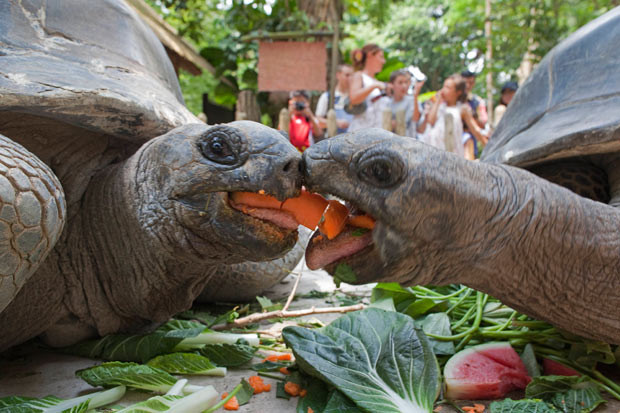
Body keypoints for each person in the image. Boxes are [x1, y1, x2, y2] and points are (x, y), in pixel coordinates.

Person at [420, 73, 467, 157]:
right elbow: (431, 121)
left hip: (452, 153)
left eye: (448, 87)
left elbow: (474, 129)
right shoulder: (439, 106)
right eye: (444, 86)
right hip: (434, 152)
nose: (443, 90)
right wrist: (438, 102)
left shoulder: (462, 109)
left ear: (458, 92)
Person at [347, 44, 389, 132]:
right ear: (370, 55)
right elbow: (353, 98)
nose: (383, 61)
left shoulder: (375, 80)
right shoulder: (359, 76)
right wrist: (374, 86)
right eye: (381, 57)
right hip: (360, 133)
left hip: (378, 134)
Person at [315, 64, 354, 135]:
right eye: (347, 75)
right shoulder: (326, 97)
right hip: (333, 140)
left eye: (352, 76)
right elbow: (318, 121)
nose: (350, 78)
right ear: (338, 75)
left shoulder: (355, 98)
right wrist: (335, 122)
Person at [387, 69, 425, 139]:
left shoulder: (413, 100)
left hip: (410, 144)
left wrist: (415, 96)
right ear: (392, 84)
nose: (404, 86)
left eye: (406, 82)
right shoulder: (387, 103)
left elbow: (415, 119)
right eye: (400, 82)